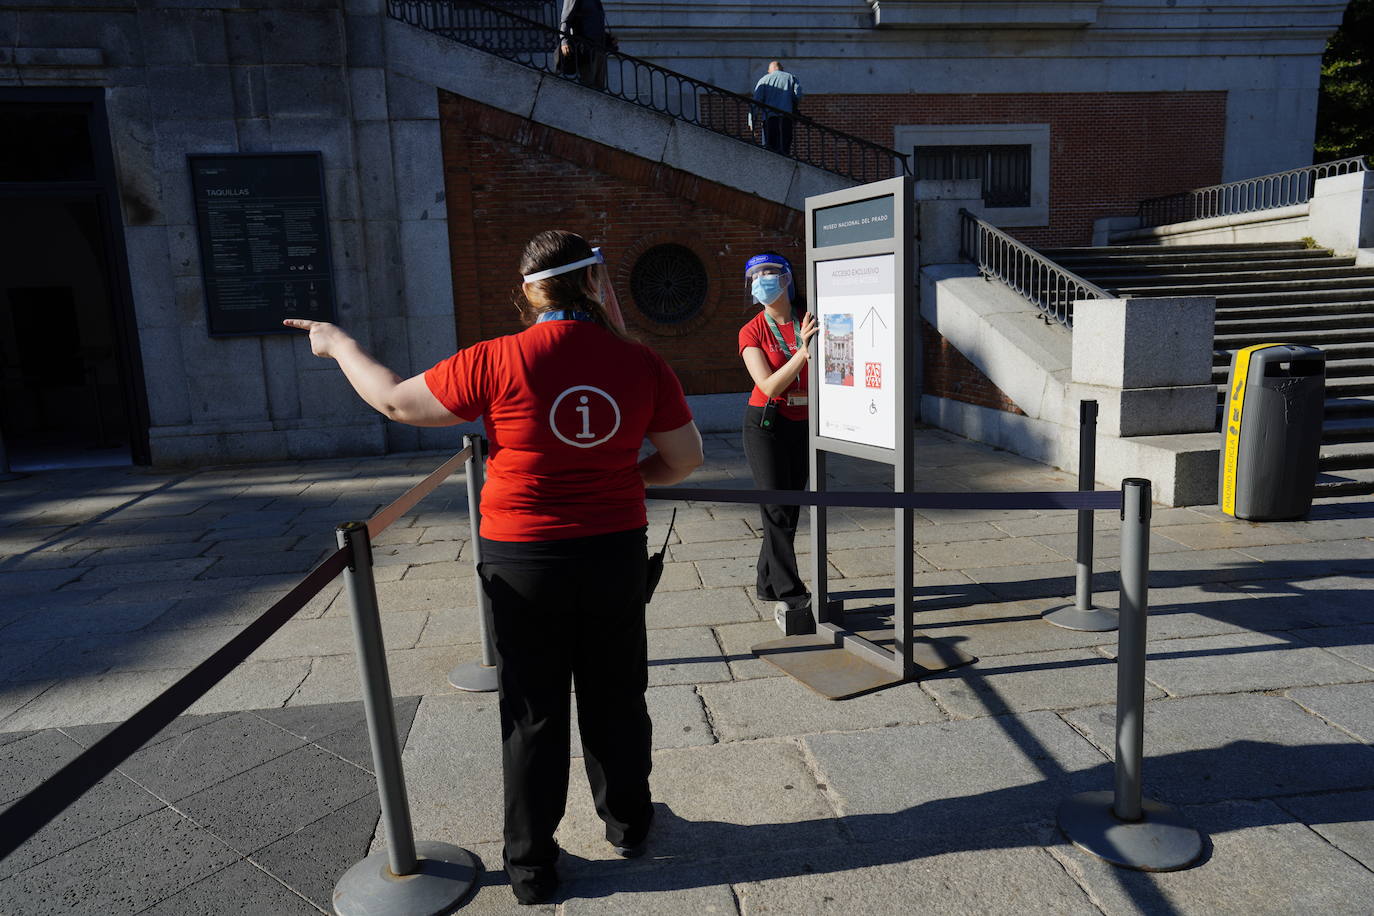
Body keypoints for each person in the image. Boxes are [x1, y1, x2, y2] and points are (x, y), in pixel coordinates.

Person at [284, 230, 703, 906]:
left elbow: (395, 402)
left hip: (524, 559)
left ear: (530, 291)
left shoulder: (497, 359)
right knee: (616, 696)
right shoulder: (641, 362)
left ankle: (533, 866)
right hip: (613, 550)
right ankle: (629, 825)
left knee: (534, 712)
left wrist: (338, 344)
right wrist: (621, 480)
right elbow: (685, 459)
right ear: (596, 284)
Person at [737, 251, 816, 633]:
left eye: (770, 272)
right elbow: (767, 385)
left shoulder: (809, 317)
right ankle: (790, 590)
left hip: (803, 424)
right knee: (777, 508)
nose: (762, 280)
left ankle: (766, 580)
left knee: (792, 505)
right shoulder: (752, 330)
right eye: (755, 276)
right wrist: (803, 352)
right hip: (765, 424)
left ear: (787, 278)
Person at [750, 60, 803, 155]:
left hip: (770, 119)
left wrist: (752, 123)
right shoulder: (791, 78)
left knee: (771, 148)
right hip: (786, 118)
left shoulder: (764, 80)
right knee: (785, 147)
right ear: (781, 68)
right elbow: (798, 95)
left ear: (769, 70)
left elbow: (755, 103)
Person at [557, 0, 611, 89]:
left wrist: (609, 38)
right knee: (588, 86)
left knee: (600, 87)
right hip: (586, 48)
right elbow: (565, 20)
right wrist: (564, 42)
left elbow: (594, 23)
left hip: (600, 48)